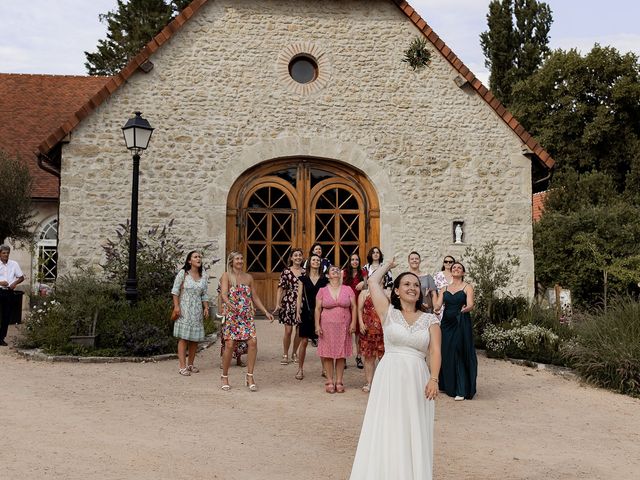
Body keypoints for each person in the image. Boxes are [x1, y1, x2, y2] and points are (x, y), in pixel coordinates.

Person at [350, 258, 441, 480]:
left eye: (416, 285)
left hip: (417, 377)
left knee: (413, 428)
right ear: (397, 291)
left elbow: (436, 352)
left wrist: (434, 379)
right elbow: (372, 281)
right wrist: (387, 266)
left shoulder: (430, 319)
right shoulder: (388, 312)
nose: (412, 288)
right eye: (407, 284)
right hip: (389, 376)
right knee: (388, 426)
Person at [220, 251, 274, 391]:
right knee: (230, 344)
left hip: (246, 315)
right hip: (232, 315)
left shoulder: (248, 277)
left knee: (253, 342)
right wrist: (229, 304)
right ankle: (224, 376)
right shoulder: (226, 276)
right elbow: (224, 294)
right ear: (231, 261)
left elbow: (254, 297)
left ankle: (249, 376)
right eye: (237, 258)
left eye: (241, 258)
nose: (240, 261)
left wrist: (265, 311)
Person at [434, 261, 477, 401]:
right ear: (451, 272)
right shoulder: (444, 288)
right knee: (446, 351)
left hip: (461, 321)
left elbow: (471, 304)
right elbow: (439, 305)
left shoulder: (467, 287)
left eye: (459, 268)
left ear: (463, 272)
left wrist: (466, 309)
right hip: (446, 323)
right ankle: (447, 384)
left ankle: (461, 389)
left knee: (458, 351)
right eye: (454, 267)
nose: (456, 269)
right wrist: (435, 308)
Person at [315, 265, 357, 393]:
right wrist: (317, 325)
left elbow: (354, 307)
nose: (335, 271)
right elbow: (317, 309)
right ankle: (329, 381)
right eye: (332, 270)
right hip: (327, 325)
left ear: (341, 274)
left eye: (337, 270)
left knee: (341, 354)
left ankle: (339, 381)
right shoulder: (322, 290)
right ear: (327, 275)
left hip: (344, 325)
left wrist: (353, 323)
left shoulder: (348, 289)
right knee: (327, 353)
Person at [171, 251, 209, 376]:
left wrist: (206, 307)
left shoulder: (203, 275)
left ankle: (190, 364)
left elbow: (204, 294)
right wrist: (176, 307)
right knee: (183, 338)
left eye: (200, 257)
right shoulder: (183, 274)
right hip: (185, 309)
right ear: (189, 261)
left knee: (194, 339)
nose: (198, 259)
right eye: (195, 257)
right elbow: (175, 291)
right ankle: (182, 366)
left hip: (197, 310)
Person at [295, 253, 328, 380]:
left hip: (321, 313)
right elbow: (299, 297)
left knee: (321, 341)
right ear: (309, 263)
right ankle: (300, 369)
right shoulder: (302, 278)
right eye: (313, 260)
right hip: (306, 313)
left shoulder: (325, 280)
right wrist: (297, 312)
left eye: (318, 260)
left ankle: (324, 369)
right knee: (303, 341)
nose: (316, 262)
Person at [273, 248, 304, 365]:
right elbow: (280, 288)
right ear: (291, 258)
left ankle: (294, 353)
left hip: (302, 303)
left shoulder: (305, 271)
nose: (298, 257)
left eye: (300, 255)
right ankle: (285, 353)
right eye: (295, 255)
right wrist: (277, 303)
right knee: (288, 330)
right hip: (288, 302)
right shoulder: (286, 271)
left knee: (300, 330)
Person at [357, 281, 385, 393]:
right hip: (368, 329)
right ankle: (369, 383)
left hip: (383, 330)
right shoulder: (364, 293)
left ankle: (383, 383)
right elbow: (359, 309)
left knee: (384, 358)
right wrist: (361, 323)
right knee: (369, 358)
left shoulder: (386, 293)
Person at [216, 283, 247, 369]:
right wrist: (220, 312)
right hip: (227, 311)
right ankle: (224, 360)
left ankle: (238, 359)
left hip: (240, 309)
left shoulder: (242, 279)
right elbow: (220, 296)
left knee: (240, 335)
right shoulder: (224, 280)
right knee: (226, 336)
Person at [343, 253, 365, 369]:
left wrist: (364, 283)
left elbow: (369, 286)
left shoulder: (363, 273)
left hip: (359, 304)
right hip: (347, 306)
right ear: (349, 261)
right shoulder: (345, 273)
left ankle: (359, 357)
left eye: (357, 259)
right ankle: (344, 357)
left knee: (358, 334)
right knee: (346, 332)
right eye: (352, 260)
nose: (354, 261)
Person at [0, 245, 24, 346]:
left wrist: (14, 283)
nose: (6, 255)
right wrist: (0, 282)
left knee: (6, 316)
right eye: (4, 253)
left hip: (9, 292)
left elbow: (21, 277)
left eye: (7, 253)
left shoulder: (14, 264)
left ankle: (1, 338)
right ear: (0, 253)